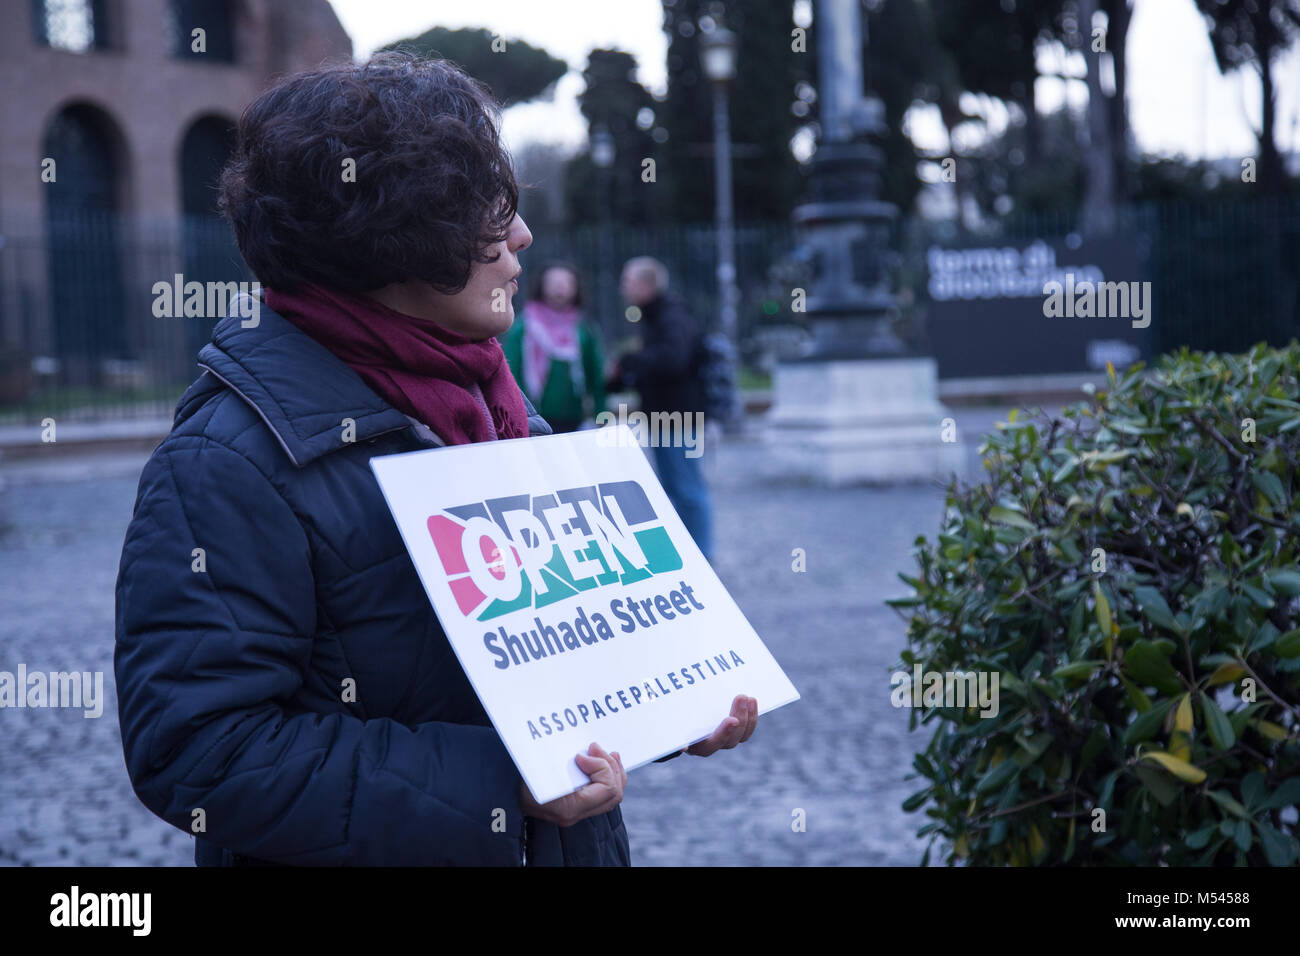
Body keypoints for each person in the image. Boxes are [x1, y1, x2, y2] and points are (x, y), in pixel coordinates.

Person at [113, 53, 757, 868]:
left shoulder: (498, 402)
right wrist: (499, 787)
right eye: (486, 211)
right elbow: (200, 752)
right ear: (388, 238)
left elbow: (557, 663)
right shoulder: (224, 463)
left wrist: (669, 707)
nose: (521, 235)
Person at [610, 257, 714, 561]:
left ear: (645, 285)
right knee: (674, 487)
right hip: (665, 416)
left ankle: (702, 555)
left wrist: (629, 362)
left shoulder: (671, 316)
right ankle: (691, 554)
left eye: (627, 282)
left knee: (688, 489)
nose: (623, 288)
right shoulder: (657, 316)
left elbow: (672, 359)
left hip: (678, 418)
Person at [501, 261, 605, 433]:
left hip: (575, 419)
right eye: (553, 282)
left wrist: (602, 415)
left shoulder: (583, 329)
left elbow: (596, 376)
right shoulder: (524, 328)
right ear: (541, 286)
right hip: (533, 420)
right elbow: (511, 373)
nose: (559, 288)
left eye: (566, 282)